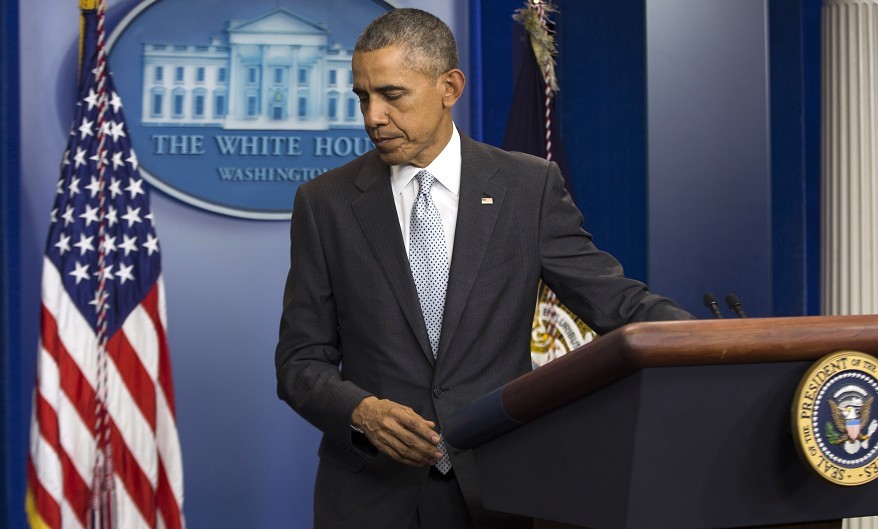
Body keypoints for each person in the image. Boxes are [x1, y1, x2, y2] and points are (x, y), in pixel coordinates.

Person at [274, 8, 693, 529]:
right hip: (370, 498)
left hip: (498, 491)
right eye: (363, 96)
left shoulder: (528, 187)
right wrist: (361, 413)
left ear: (449, 86)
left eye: (391, 94)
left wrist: (713, 349)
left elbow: (616, 301)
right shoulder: (324, 202)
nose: (372, 116)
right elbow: (299, 361)